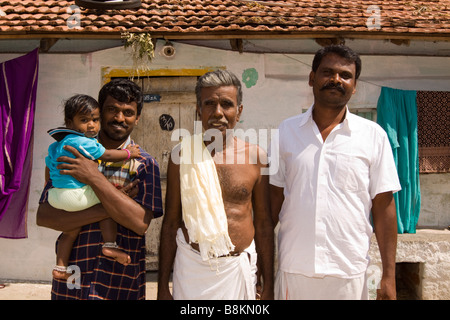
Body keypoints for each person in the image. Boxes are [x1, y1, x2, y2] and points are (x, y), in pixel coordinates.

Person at [269, 45, 401, 300]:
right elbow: (271, 207)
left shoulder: (374, 136)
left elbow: (384, 209)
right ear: (312, 78)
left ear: (355, 85)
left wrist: (388, 276)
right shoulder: (285, 133)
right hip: (295, 272)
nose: (336, 80)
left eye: (345, 75)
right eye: (328, 72)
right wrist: (260, 267)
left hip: (349, 274)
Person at [37, 79, 163, 300]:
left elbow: (140, 223)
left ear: (138, 118)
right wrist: (118, 201)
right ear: (99, 112)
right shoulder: (70, 153)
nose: (119, 118)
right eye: (111, 109)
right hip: (72, 281)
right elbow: (45, 216)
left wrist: (94, 177)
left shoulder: (144, 163)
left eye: (128, 112)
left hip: (119, 282)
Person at [157, 69, 274, 300]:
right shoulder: (181, 156)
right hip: (192, 269)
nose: (218, 113)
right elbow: (171, 222)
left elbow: (263, 224)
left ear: (239, 111)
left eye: (227, 104)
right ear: (199, 110)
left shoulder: (256, 157)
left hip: (238, 269)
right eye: (209, 103)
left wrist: (268, 282)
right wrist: (162, 286)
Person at [45, 94, 142, 280]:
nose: (91, 125)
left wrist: (53, 184)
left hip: (56, 195)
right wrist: (129, 153)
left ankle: (60, 267)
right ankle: (110, 244)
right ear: (70, 123)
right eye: (84, 120)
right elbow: (106, 155)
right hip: (75, 194)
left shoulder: (57, 144)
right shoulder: (83, 142)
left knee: (69, 231)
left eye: (95, 120)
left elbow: (49, 164)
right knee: (109, 202)